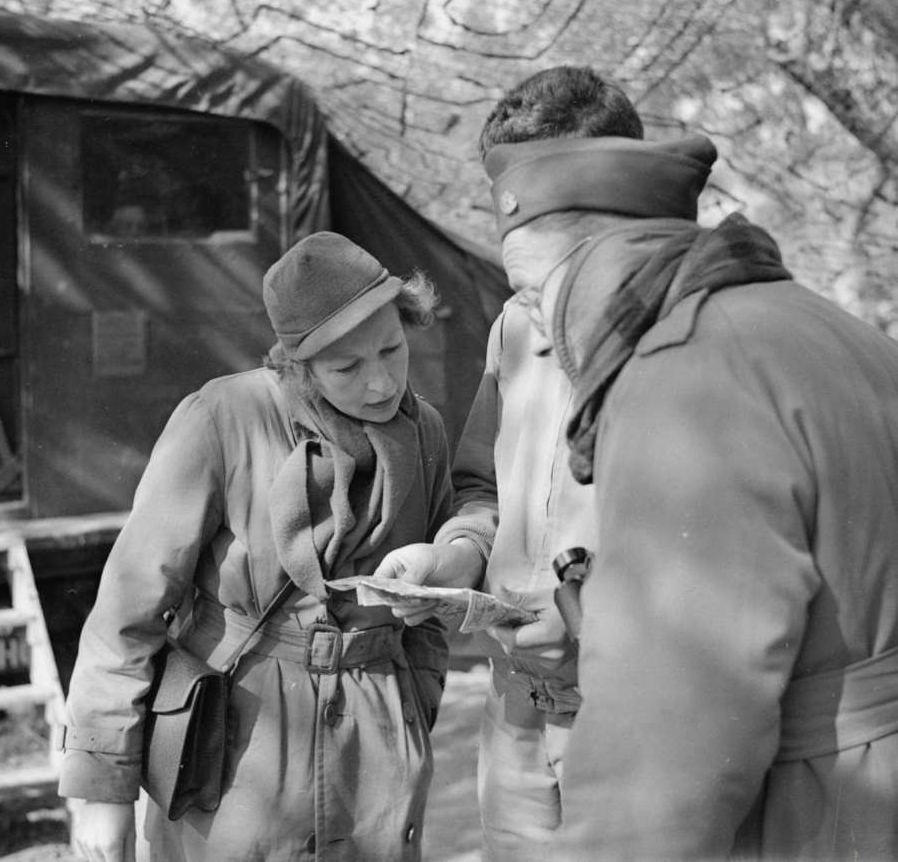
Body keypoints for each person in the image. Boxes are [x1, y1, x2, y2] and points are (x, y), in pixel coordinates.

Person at [486, 74, 898, 857]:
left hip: (824, 810)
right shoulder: (831, 331)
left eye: (531, 294)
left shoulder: (684, 376)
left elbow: (672, 733)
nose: (536, 327)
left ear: (593, 259)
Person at [58, 231, 454, 862]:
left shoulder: (424, 430)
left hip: (378, 756)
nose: (380, 383)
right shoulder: (226, 416)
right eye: (346, 368)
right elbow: (128, 610)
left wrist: (412, 707)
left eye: (393, 348)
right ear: (297, 364)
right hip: (237, 746)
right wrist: (102, 787)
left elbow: (427, 613)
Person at [374, 67, 646, 860]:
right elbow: (482, 488)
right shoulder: (512, 328)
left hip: (637, 723)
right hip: (516, 715)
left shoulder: (695, 330)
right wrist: (451, 556)